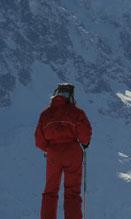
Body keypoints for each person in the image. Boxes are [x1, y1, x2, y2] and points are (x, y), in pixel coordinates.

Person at [35, 83, 92, 219]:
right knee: (72, 191)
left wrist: (49, 149)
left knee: (50, 190)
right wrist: (84, 144)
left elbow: (39, 140)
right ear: (71, 96)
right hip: (72, 152)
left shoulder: (46, 114)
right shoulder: (76, 112)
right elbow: (85, 134)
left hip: (53, 153)